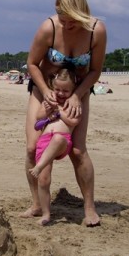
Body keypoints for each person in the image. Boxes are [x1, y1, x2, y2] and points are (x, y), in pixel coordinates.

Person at [23, 0, 107, 227]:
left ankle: (89, 208)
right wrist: (46, 91)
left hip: (77, 92)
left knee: (78, 150)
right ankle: (37, 204)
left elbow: (95, 71)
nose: (67, 25)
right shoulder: (48, 27)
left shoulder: (96, 31)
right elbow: (32, 64)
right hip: (44, 89)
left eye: (73, 21)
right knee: (32, 148)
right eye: (63, 19)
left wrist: (77, 96)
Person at [29, 68, 81, 226]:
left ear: (73, 90)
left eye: (65, 91)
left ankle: (38, 166)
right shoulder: (50, 101)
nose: (60, 93)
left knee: (58, 138)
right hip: (45, 142)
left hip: (61, 142)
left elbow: (74, 122)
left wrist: (60, 111)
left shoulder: (72, 105)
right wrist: (48, 112)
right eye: (57, 89)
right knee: (44, 181)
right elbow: (38, 116)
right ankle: (45, 213)